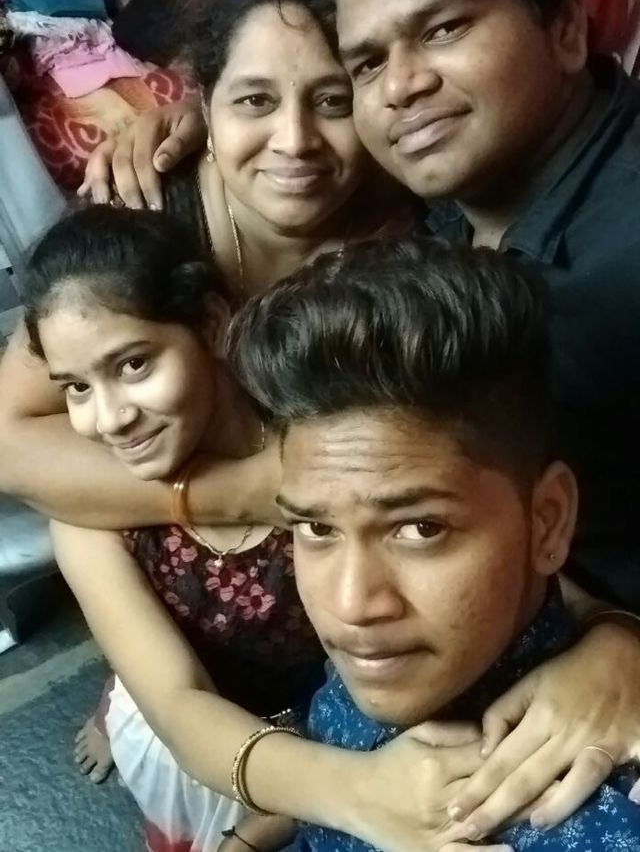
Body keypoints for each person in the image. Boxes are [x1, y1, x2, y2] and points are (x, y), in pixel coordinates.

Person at [85, 0, 640, 833]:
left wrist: (626, 645)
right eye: (368, 64)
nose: (401, 86)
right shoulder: (444, 191)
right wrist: (207, 116)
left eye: (444, 28)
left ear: (565, 28)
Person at [0, 0, 414, 784]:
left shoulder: (406, 232)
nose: (293, 140)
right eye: (253, 100)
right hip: (198, 499)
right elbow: (9, 440)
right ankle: (135, 686)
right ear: (203, 102)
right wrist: (231, 493)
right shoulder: (149, 199)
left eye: (332, 100)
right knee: (157, 654)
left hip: (324, 530)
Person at [24, 205, 510, 852]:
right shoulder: (90, 513)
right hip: (210, 742)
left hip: (358, 716)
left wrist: (613, 635)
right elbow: (179, 705)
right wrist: (345, 795)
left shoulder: (319, 445)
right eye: (76, 389)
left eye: (134, 364)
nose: (110, 418)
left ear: (211, 325)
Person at [227, 237, 640, 851]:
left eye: (421, 529)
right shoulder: (397, 657)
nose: (351, 605)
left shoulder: (606, 825)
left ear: (548, 522)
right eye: (317, 528)